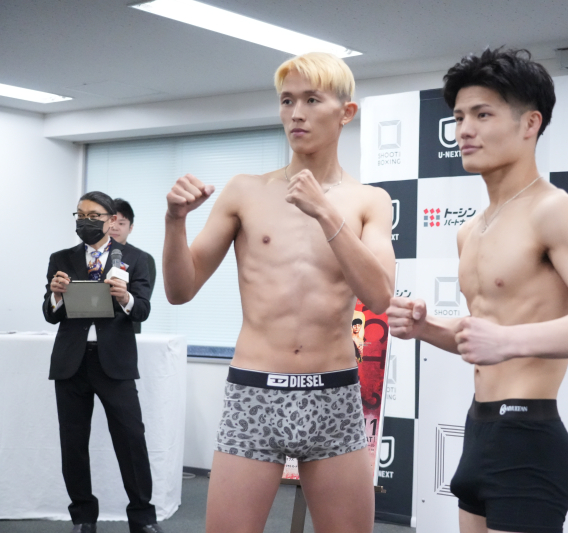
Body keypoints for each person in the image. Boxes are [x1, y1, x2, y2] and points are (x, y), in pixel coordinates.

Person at [387, 48, 568, 533]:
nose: (464, 130)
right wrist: (426, 328)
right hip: (479, 428)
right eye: (459, 117)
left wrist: (507, 340)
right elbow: (486, 332)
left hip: (528, 436)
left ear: (530, 124)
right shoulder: (470, 230)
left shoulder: (554, 211)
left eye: (483, 115)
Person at [162, 52, 395, 533]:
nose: (296, 113)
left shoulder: (369, 200)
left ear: (346, 113)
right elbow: (180, 291)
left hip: (332, 394)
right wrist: (174, 221)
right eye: (287, 101)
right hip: (255, 392)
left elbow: (379, 297)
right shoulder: (245, 191)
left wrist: (325, 212)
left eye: (312, 100)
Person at [43, 191, 163, 533]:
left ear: (112, 220)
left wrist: (126, 298)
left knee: (131, 439)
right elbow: (50, 314)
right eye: (80, 215)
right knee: (73, 443)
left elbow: (142, 309)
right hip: (71, 363)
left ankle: (142, 518)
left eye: (94, 215)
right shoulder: (60, 258)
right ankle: (83, 517)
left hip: (115, 363)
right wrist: (55, 295)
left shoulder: (136, 259)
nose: (86, 221)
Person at [110, 198, 157, 333]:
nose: (114, 227)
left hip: (126, 332)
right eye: (111, 221)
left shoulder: (143, 259)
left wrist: (124, 296)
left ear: (130, 228)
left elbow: (141, 304)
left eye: (121, 223)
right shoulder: (92, 255)